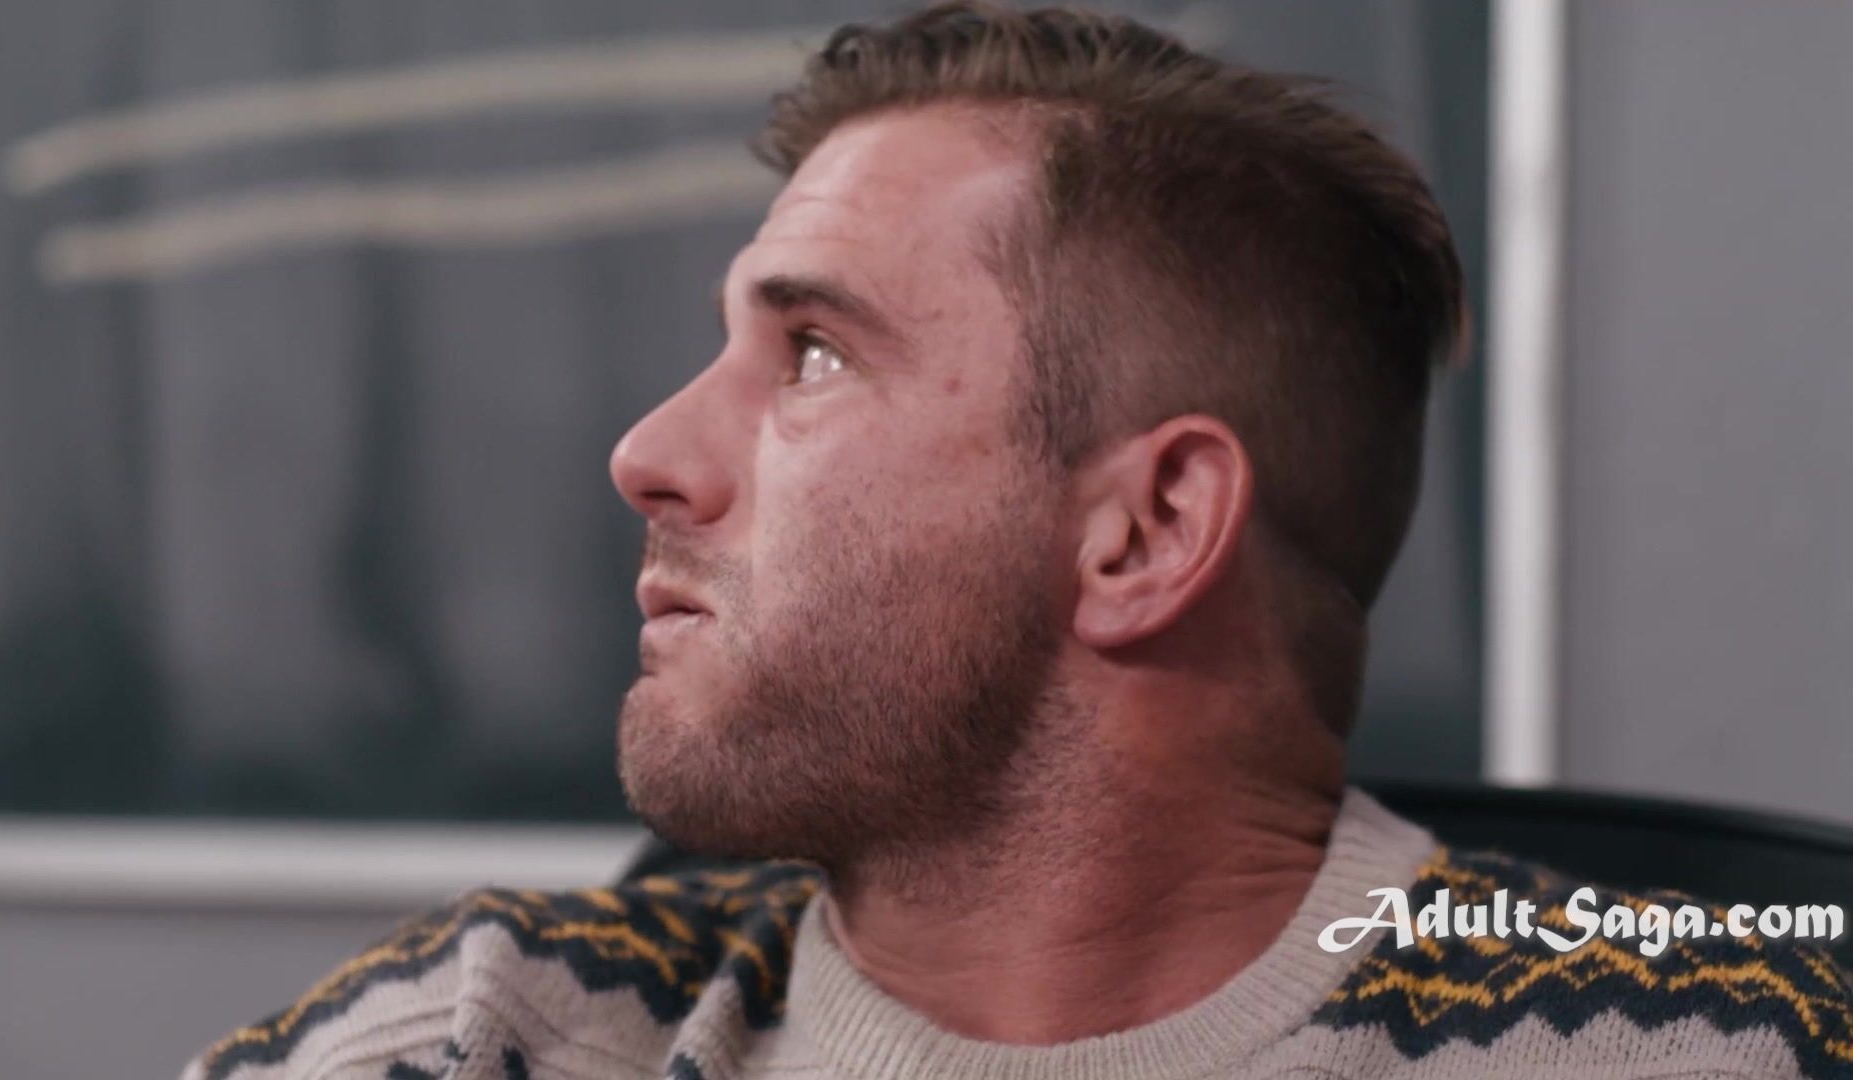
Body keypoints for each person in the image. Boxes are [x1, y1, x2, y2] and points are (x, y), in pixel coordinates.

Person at [183, 4, 1852, 1078]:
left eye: (812, 354)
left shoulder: (1727, 1052)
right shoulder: (492, 1033)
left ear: (1147, 530)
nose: (648, 456)